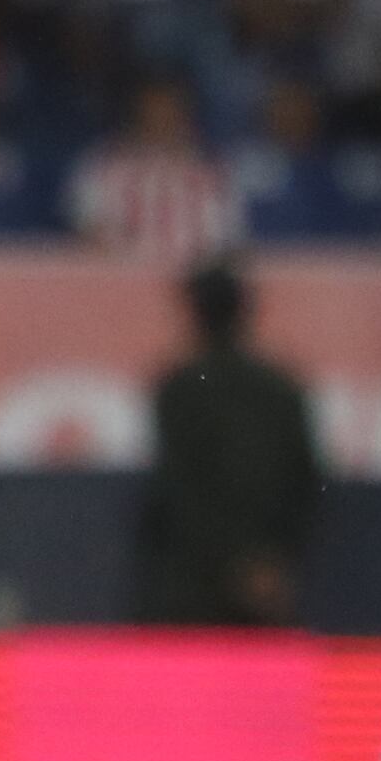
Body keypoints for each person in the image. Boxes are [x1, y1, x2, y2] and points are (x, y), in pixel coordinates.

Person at [133, 257, 322, 627]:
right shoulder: (281, 388)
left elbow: (181, 489)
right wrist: (266, 562)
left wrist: (233, 563)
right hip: (264, 585)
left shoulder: (179, 389)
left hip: (192, 590)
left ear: (194, 313)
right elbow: (307, 485)